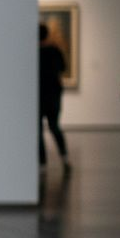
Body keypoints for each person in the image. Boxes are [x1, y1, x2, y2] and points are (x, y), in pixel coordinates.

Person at [38, 23, 70, 171]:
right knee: (54, 126)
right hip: (53, 94)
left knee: (37, 131)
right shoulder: (55, 50)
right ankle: (64, 157)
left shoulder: (33, 52)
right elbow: (63, 68)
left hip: (37, 95)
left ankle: (42, 163)